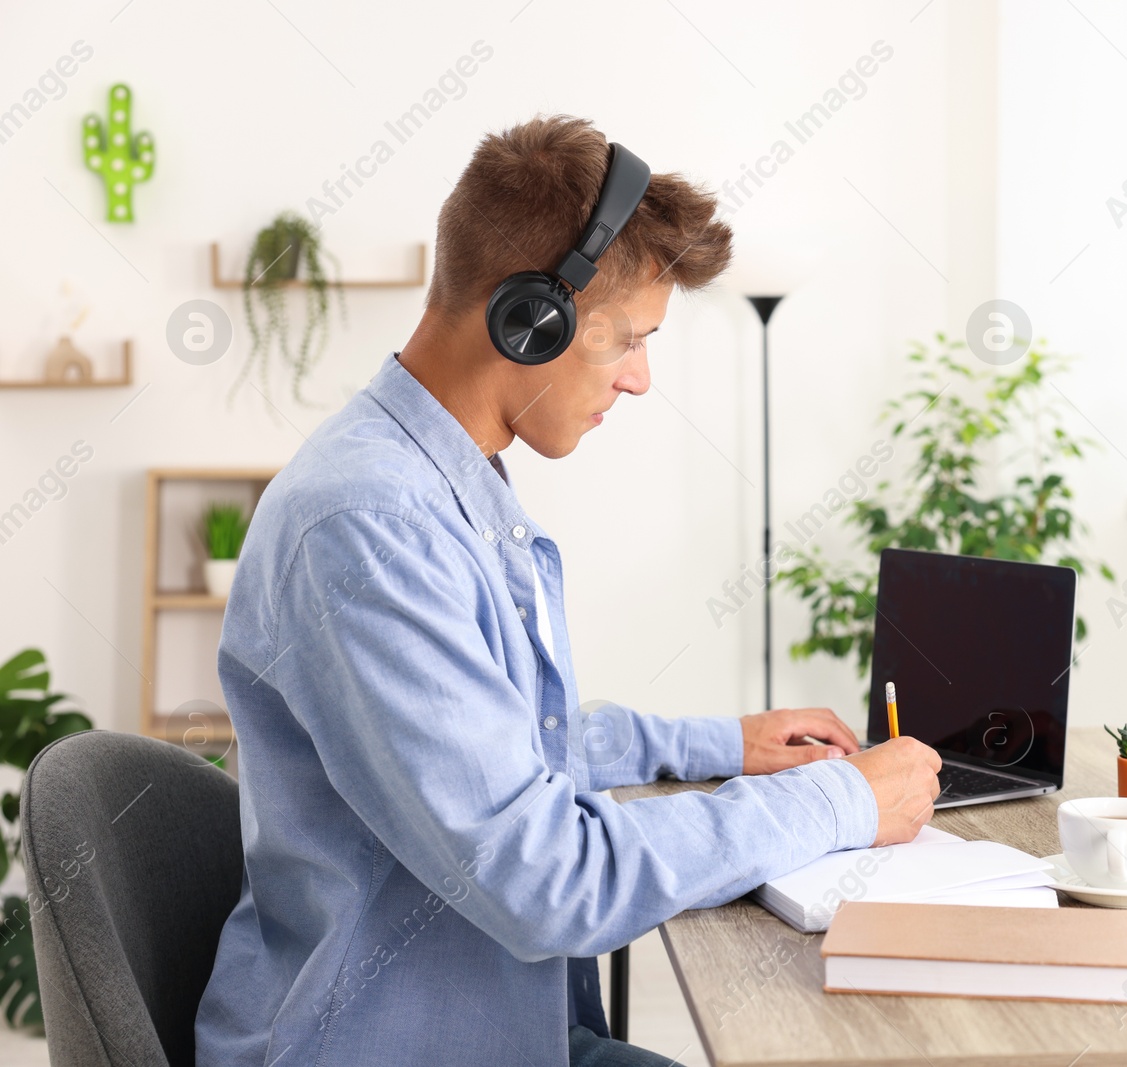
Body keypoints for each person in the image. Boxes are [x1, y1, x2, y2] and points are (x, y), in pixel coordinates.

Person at [193, 114, 943, 1067]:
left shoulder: (444, 484)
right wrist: (839, 801)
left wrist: (724, 744)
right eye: (626, 340)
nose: (640, 380)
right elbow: (548, 876)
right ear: (529, 319)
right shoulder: (370, 528)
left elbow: (511, 750)